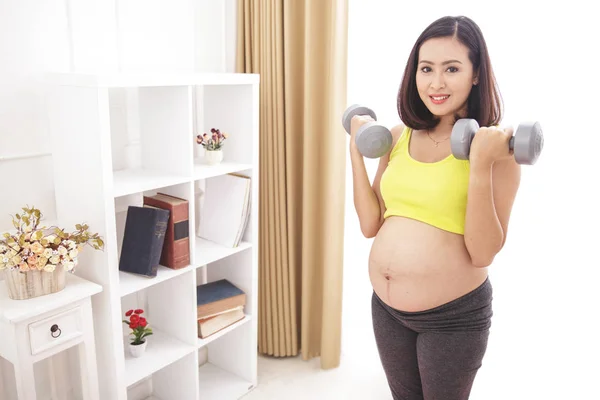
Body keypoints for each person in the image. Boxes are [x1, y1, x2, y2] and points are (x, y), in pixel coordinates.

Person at [349, 15, 521, 400]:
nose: (436, 83)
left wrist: (479, 164)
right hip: (387, 311)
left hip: (452, 319)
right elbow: (370, 224)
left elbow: (482, 252)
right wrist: (355, 154)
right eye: (426, 69)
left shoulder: (498, 152)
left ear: (476, 74)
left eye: (452, 68)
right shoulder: (396, 137)